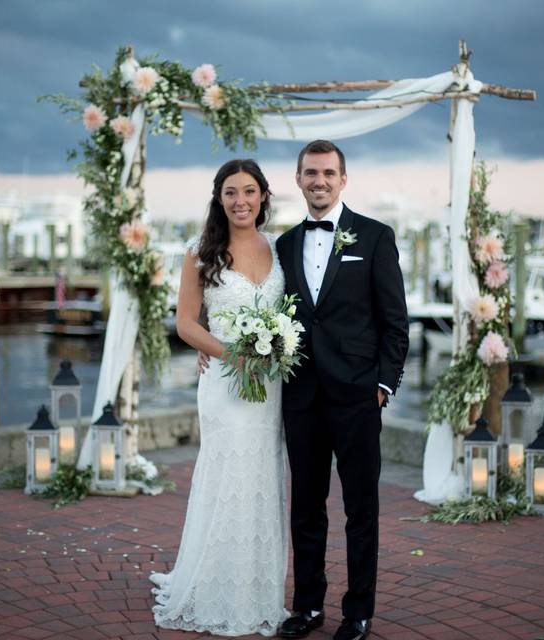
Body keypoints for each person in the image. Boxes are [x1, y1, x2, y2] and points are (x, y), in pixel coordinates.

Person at [276, 140, 409, 640]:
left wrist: (382, 386)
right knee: (306, 507)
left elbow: (396, 322)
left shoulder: (375, 237)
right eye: (311, 172)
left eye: (328, 173)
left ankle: (358, 612)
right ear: (298, 179)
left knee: (361, 510)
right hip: (302, 397)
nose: (319, 181)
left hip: (357, 397)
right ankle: (308, 606)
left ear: (343, 179)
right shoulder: (285, 244)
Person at [150, 159, 289, 637]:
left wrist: (274, 350)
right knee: (227, 476)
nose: (241, 201)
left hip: (270, 387)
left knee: (265, 479)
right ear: (219, 198)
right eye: (231, 192)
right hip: (225, 386)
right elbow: (186, 323)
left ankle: (257, 589)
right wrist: (230, 353)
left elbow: (289, 319)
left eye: (249, 191)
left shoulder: (279, 249)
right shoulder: (200, 252)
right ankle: (214, 587)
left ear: (264, 196)